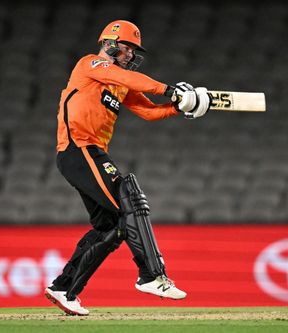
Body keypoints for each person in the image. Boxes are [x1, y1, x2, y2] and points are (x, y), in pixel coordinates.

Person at [44, 20, 210, 316]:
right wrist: (171, 90)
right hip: (79, 149)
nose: (131, 55)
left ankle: (63, 288)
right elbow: (136, 82)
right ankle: (151, 276)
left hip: (90, 153)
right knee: (130, 202)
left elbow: (147, 111)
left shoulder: (120, 83)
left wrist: (180, 107)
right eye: (127, 48)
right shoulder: (90, 64)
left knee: (111, 227)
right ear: (109, 43)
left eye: (134, 50)